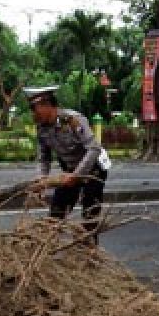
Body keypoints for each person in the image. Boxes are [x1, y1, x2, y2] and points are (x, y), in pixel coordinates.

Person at [26, 86, 108, 241]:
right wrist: (42, 179)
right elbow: (44, 157)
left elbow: (94, 148)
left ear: (47, 105)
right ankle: (46, 253)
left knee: (89, 218)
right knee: (56, 214)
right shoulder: (41, 128)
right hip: (69, 171)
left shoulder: (72, 120)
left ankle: (89, 256)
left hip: (93, 169)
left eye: (35, 109)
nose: (33, 114)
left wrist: (76, 176)